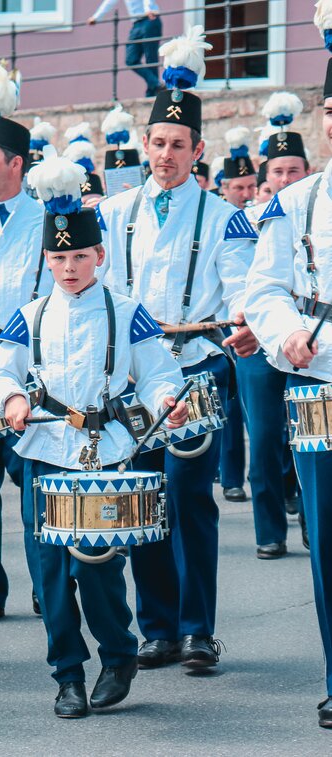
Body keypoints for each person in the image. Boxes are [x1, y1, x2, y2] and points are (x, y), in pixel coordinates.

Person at [0, 148, 187, 718]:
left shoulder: (128, 310)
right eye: (57, 256)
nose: (68, 267)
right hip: (46, 447)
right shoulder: (32, 313)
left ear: (99, 255)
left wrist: (165, 399)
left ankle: (118, 653)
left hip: (105, 450)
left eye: (78, 255)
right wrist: (13, 397)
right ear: (46, 259)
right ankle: (66, 673)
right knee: (50, 574)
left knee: (97, 566)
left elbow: (158, 372)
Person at [97, 27, 258, 671]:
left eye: (177, 145)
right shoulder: (112, 212)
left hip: (196, 368)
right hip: (133, 377)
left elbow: (242, 284)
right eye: (157, 143)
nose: (165, 155)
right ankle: (156, 626)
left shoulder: (224, 216)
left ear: (198, 150)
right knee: (142, 496)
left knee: (191, 499)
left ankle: (197, 630)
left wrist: (244, 319)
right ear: (145, 144)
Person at [244, 39, 332, 726]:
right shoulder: (293, 202)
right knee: (328, 537)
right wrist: (282, 333)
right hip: (319, 388)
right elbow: (266, 289)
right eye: (331, 109)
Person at [0, 63, 51, 623]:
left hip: (31, 369)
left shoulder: (46, 219)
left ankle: (47, 583)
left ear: (16, 164)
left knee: (33, 482)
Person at [238, 93, 310, 559]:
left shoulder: (315, 211)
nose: (285, 179)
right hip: (257, 344)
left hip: (310, 343)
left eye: (294, 171)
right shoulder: (243, 223)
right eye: (277, 173)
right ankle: (269, 530)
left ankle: (310, 517)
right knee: (264, 437)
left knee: (310, 434)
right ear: (264, 182)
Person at [217, 126, 257, 504]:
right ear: (223, 188)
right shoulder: (218, 219)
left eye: (250, 186)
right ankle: (231, 477)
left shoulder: (263, 214)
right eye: (237, 187)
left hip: (256, 319)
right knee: (229, 408)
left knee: (259, 415)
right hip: (219, 327)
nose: (244, 194)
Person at [87, 0, 163, 98]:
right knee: (131, 59)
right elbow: (109, 2)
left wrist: (148, 8)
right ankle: (156, 85)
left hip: (150, 19)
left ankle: (152, 93)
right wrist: (96, 17)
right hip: (137, 24)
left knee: (151, 58)